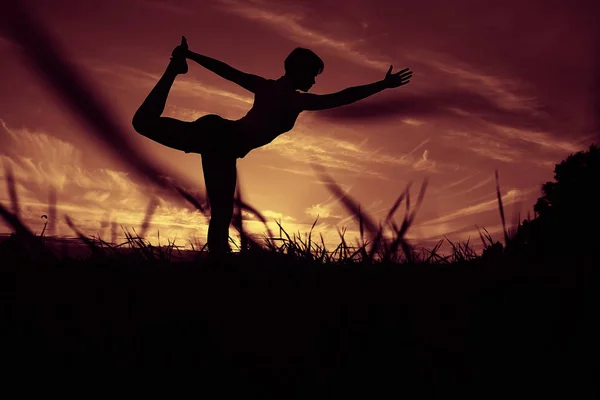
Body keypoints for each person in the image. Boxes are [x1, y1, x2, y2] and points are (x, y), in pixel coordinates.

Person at [132, 36, 413, 256]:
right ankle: (220, 263)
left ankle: (174, 67)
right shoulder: (294, 99)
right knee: (220, 212)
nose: (314, 80)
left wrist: (193, 55)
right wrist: (381, 85)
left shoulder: (267, 87)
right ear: (300, 71)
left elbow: (229, 72)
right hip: (222, 139)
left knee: (145, 124)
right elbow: (341, 97)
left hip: (222, 139)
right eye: (313, 74)